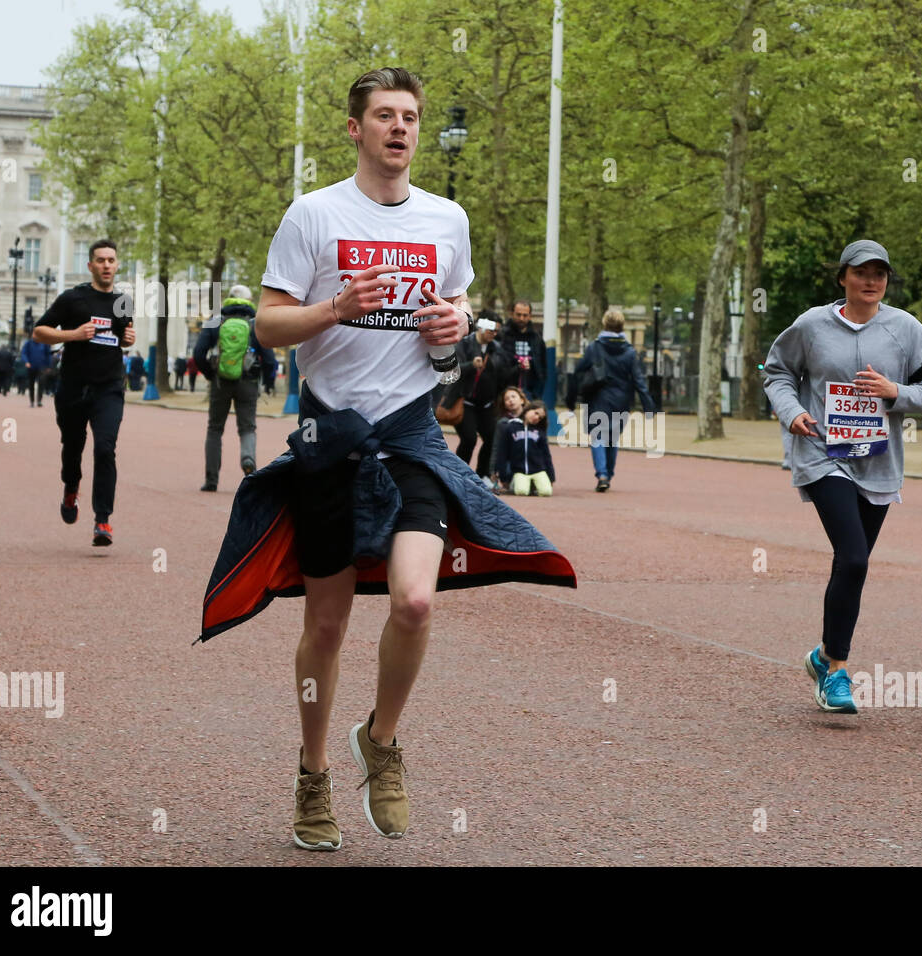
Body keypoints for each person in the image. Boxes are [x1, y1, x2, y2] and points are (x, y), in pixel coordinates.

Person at [207, 66, 574, 852]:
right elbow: (268, 328)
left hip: (411, 432)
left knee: (415, 601)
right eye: (384, 115)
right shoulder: (313, 215)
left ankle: (381, 738)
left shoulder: (448, 219)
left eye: (410, 115)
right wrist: (335, 308)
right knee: (329, 622)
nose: (400, 127)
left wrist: (454, 326)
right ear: (356, 129)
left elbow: (456, 321)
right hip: (330, 434)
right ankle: (312, 772)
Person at [764, 240, 922, 714]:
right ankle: (838, 672)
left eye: (880, 272)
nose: (871, 280)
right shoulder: (811, 325)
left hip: (878, 462)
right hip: (823, 452)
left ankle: (822, 656)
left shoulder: (907, 330)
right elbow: (777, 373)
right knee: (855, 557)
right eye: (862, 272)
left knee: (851, 566)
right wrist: (793, 412)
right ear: (843, 276)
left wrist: (895, 391)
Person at [33, 239, 136, 546]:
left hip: (109, 387)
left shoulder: (123, 301)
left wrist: (129, 338)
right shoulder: (72, 298)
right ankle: (70, 489)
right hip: (74, 387)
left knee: (105, 448)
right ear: (90, 266)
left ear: (117, 265)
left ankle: (102, 521)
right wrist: (72, 335)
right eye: (100, 260)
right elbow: (40, 332)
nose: (106, 265)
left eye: (111, 260)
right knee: (73, 447)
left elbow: (124, 338)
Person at [565, 309, 655, 492]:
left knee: (597, 436)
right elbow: (639, 380)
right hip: (621, 401)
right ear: (622, 326)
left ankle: (602, 474)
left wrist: (571, 399)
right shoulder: (630, 352)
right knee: (612, 439)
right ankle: (609, 473)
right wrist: (648, 406)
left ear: (604, 324)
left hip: (598, 398)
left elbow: (578, 372)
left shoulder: (594, 347)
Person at [194, 284, 273, 491]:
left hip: (221, 381)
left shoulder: (215, 321)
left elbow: (198, 354)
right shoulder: (257, 323)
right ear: (249, 300)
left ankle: (211, 480)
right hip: (248, 381)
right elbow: (270, 359)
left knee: (214, 429)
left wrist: (211, 374)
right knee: (247, 427)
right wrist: (268, 382)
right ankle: (248, 461)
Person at [448, 314, 514, 482]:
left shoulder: (496, 348)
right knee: (469, 439)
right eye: (492, 330)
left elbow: (503, 374)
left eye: (497, 331)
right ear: (482, 327)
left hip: (487, 404)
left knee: (492, 438)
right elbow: (453, 369)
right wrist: (471, 365)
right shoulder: (464, 344)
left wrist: (519, 369)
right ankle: (459, 475)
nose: (494, 334)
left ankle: (482, 475)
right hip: (466, 402)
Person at [494, 397, 556, 496]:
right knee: (521, 492)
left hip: (538, 470)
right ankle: (516, 484)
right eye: (536, 413)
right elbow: (502, 453)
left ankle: (533, 485)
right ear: (528, 409)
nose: (536, 418)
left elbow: (546, 455)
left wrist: (551, 477)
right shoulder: (511, 427)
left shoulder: (539, 432)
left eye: (540, 417)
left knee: (546, 492)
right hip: (520, 470)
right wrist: (502, 476)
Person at [499, 299, 546, 401]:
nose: (521, 318)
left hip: (530, 392)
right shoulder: (503, 336)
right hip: (505, 390)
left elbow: (542, 366)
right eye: (518, 315)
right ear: (512, 314)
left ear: (530, 316)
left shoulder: (536, 338)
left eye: (525, 315)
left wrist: (537, 393)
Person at [19, 330, 53, 407]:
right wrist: (26, 362)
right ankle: (32, 401)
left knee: (41, 383)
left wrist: (48, 366)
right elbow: (24, 353)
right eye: (34, 334)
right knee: (31, 384)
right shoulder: (28, 343)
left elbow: (48, 355)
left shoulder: (45, 343)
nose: (35, 336)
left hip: (42, 367)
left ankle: (39, 401)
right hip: (31, 367)